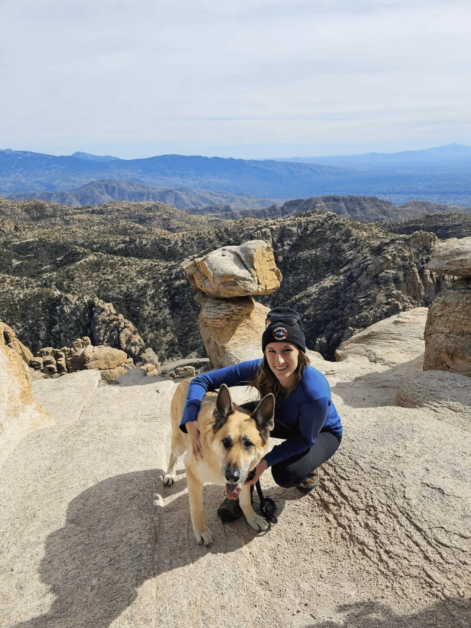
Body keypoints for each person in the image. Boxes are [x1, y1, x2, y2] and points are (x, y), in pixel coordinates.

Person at [179, 306, 343, 522]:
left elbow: (304, 438)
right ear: (265, 353)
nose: (279, 361)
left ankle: (308, 465)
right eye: (271, 351)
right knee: (238, 421)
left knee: (286, 474)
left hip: (318, 431)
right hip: (279, 417)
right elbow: (202, 381)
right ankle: (236, 487)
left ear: (300, 352)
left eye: (287, 350)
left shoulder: (314, 394)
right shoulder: (261, 368)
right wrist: (190, 418)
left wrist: (265, 462)